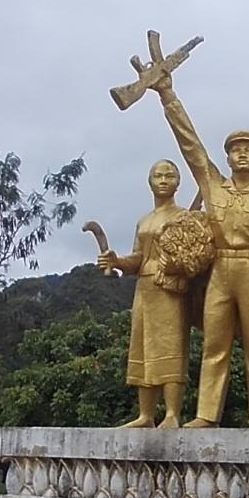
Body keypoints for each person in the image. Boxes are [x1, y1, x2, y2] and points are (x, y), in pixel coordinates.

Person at [149, 68, 249, 428]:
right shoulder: (214, 187)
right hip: (221, 271)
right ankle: (206, 415)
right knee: (215, 345)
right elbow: (190, 145)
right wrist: (168, 96)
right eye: (235, 150)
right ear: (227, 158)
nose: (242, 155)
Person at [97, 160, 191, 428]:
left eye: (169, 175)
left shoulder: (184, 215)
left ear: (178, 181)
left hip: (169, 287)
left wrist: (176, 266)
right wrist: (117, 261)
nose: (164, 179)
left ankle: (172, 413)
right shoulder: (144, 221)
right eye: (158, 175)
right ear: (149, 181)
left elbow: (192, 253)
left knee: (170, 344)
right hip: (144, 288)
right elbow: (137, 258)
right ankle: (145, 415)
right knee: (143, 346)